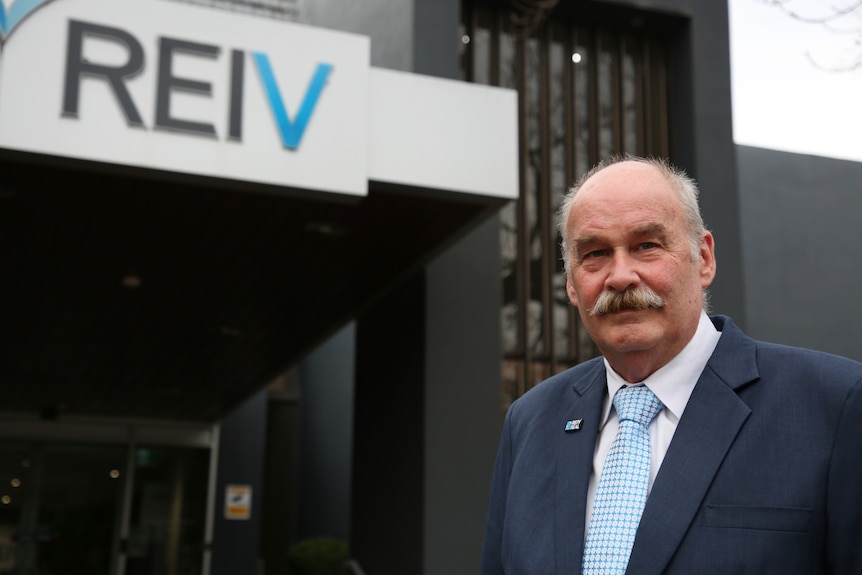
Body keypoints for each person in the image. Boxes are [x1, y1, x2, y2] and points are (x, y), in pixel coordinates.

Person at [479, 156, 862, 575]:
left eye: (647, 245)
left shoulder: (834, 405)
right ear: (572, 284)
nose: (620, 275)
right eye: (595, 254)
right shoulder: (530, 422)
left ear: (704, 258)